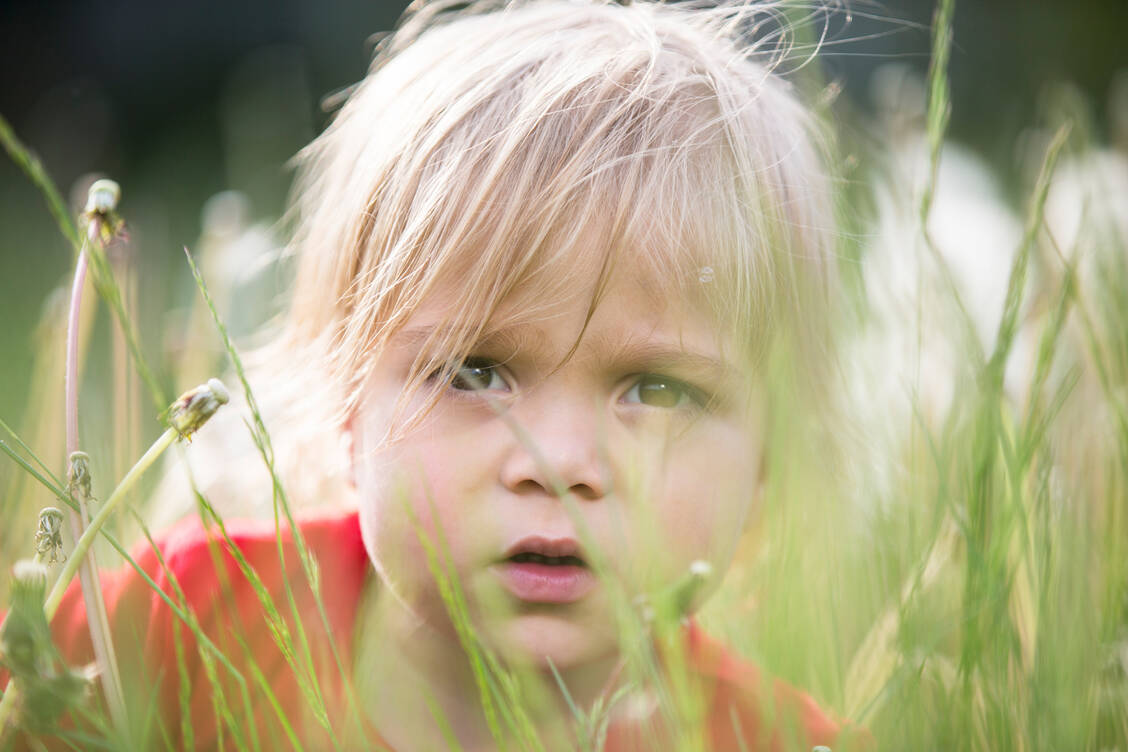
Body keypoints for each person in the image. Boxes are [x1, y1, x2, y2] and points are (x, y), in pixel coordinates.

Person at [6, 0, 870, 749]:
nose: (560, 461)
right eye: (475, 371)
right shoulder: (175, 632)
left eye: (658, 388)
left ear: (771, 459)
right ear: (347, 398)